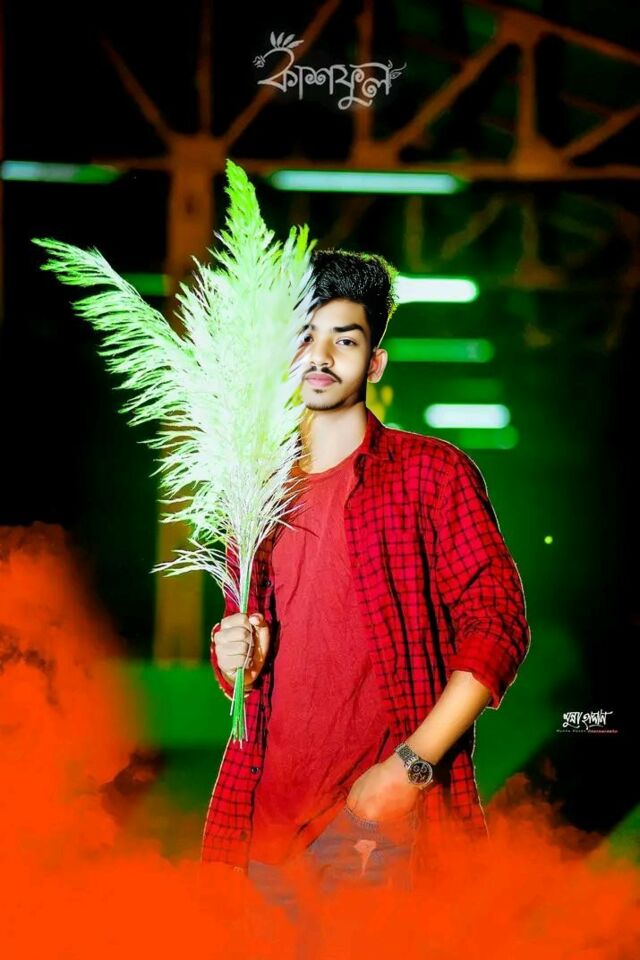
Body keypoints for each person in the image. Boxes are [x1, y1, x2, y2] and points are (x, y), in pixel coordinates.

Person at [204, 248, 531, 922]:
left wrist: (410, 767)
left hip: (374, 824)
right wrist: (234, 655)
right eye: (305, 336)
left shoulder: (432, 475)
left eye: (344, 339)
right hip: (261, 825)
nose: (321, 355)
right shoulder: (251, 496)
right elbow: (243, 672)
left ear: (374, 363)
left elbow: (497, 624)